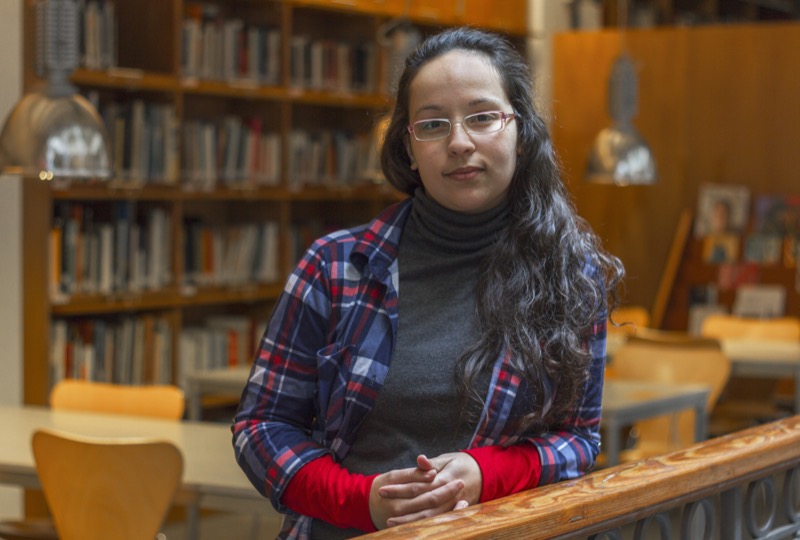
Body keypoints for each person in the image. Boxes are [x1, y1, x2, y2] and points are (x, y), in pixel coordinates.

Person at [232, 27, 624, 539]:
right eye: (433, 125)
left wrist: (487, 475)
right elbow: (260, 428)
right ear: (410, 148)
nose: (459, 142)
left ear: (521, 134)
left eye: (482, 117)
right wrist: (359, 502)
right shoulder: (333, 267)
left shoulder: (571, 277)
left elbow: (577, 441)